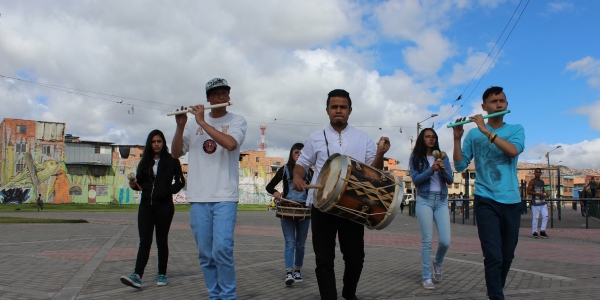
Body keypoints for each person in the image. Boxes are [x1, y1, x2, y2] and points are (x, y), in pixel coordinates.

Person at [292, 89, 390, 300]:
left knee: (355, 258)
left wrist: (380, 154)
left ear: (350, 110)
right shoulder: (315, 137)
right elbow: (301, 165)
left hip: (353, 206)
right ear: (327, 110)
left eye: (343, 107)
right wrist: (298, 178)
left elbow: (375, 172)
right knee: (324, 260)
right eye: (334, 107)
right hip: (321, 206)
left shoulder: (362, 138)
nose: (338, 110)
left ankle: (349, 293)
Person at [171, 78, 247, 300]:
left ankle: (228, 296)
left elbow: (231, 144)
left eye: (225, 93)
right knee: (206, 254)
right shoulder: (192, 123)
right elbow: (176, 153)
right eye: (216, 94)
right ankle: (214, 296)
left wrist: (203, 122)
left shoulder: (237, 121)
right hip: (198, 196)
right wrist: (180, 125)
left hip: (225, 196)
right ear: (208, 98)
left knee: (222, 250)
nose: (221, 97)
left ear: (229, 97)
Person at [452, 86, 525, 300]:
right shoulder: (473, 135)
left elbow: (512, 151)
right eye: (494, 101)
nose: (499, 104)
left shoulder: (516, 129)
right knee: (493, 255)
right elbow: (459, 166)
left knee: (507, 256)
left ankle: (495, 289)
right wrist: (457, 138)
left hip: (511, 200)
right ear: (484, 107)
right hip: (485, 199)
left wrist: (486, 131)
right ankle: (496, 296)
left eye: (502, 100)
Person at [120, 130, 185, 288]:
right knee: (145, 241)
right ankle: (137, 275)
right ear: (150, 143)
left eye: (159, 141)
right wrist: (133, 185)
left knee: (161, 241)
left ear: (163, 143)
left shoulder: (172, 161)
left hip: (164, 207)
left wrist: (167, 191)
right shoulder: (144, 162)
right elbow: (140, 184)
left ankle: (162, 274)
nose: (156, 144)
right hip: (146, 207)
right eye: (153, 141)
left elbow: (180, 182)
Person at [409, 128, 453, 290]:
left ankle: (437, 263)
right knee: (427, 240)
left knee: (445, 241)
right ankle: (426, 276)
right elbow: (416, 180)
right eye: (428, 136)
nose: (431, 139)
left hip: (441, 200)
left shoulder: (443, 157)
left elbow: (450, 180)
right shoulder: (415, 158)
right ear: (422, 139)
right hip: (424, 200)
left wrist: (442, 170)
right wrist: (431, 169)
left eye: (433, 137)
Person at [266, 143, 314, 286]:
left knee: (301, 243)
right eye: (296, 151)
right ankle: (289, 272)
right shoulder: (284, 169)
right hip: (287, 210)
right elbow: (269, 186)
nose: (299, 154)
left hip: (304, 210)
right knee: (290, 242)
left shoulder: (310, 172)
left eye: (302, 152)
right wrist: (275, 193)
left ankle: (297, 269)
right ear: (291, 153)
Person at [527, 168, 548, 239]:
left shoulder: (542, 182)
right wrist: (538, 194)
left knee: (545, 216)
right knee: (535, 217)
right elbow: (528, 191)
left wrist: (544, 194)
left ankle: (542, 231)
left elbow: (543, 190)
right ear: (534, 173)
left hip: (543, 202)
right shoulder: (532, 181)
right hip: (535, 202)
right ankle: (534, 232)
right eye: (536, 172)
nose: (538, 173)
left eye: (539, 172)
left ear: (541, 173)